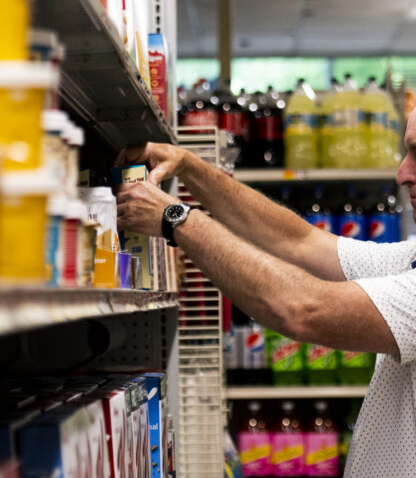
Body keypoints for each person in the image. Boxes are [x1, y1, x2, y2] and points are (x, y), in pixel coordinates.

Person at [114, 108, 416, 477]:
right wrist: (191, 167)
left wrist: (176, 218)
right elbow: (299, 240)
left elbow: (304, 309)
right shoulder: (410, 258)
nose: (402, 173)